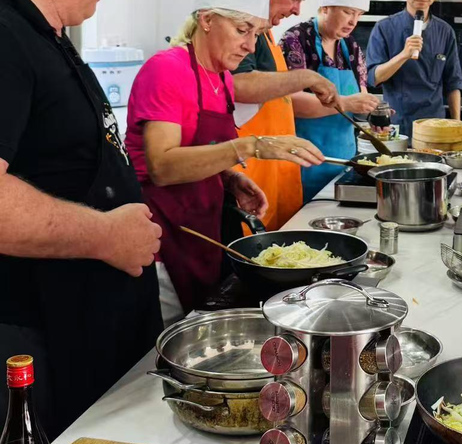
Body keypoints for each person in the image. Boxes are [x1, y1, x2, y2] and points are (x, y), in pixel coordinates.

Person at [0, 0, 163, 438]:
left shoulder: (50, 38)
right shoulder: (6, 35)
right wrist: (106, 234)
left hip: (96, 325)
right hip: (43, 334)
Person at [126, 0, 323, 326]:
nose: (250, 46)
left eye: (256, 34)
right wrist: (251, 146)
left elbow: (201, 150)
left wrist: (229, 180)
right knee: (165, 343)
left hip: (202, 234)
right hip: (161, 240)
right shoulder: (166, 69)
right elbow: (162, 166)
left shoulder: (220, 80)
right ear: (206, 20)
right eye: (242, 30)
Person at [232, 0, 342, 231]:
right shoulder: (247, 33)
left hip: (277, 162)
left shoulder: (266, 33)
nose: (297, 10)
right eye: (295, 0)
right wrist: (306, 78)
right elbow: (239, 84)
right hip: (252, 165)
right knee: (256, 241)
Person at [280, 0, 378, 202]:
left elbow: (361, 95)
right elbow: (290, 102)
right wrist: (345, 103)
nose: (353, 22)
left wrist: (372, 113)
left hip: (344, 159)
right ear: (325, 8)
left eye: (359, 15)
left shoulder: (350, 46)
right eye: (348, 12)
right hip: (304, 160)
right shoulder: (295, 40)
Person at [365, 0, 462, 138]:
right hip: (397, 123)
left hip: (434, 126)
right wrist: (404, 55)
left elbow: (453, 83)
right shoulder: (384, 28)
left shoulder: (445, 31)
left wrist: (457, 126)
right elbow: (373, 78)